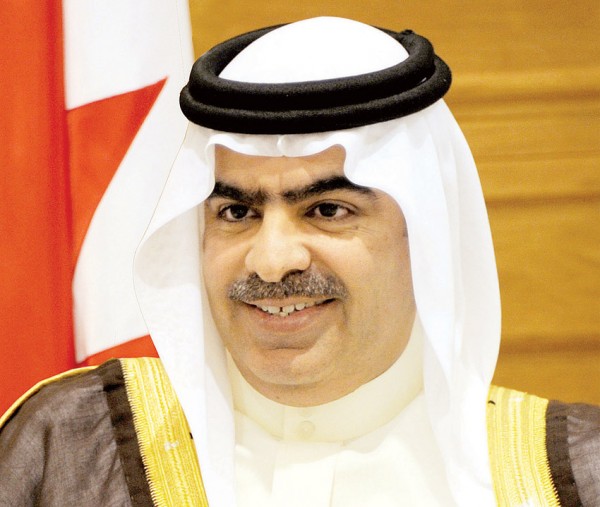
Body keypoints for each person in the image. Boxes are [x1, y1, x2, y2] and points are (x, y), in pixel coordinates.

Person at [1, 16, 598, 507]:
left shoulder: (570, 475)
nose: (271, 261)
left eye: (328, 210)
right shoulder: (74, 447)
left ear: (426, 233)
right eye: (236, 212)